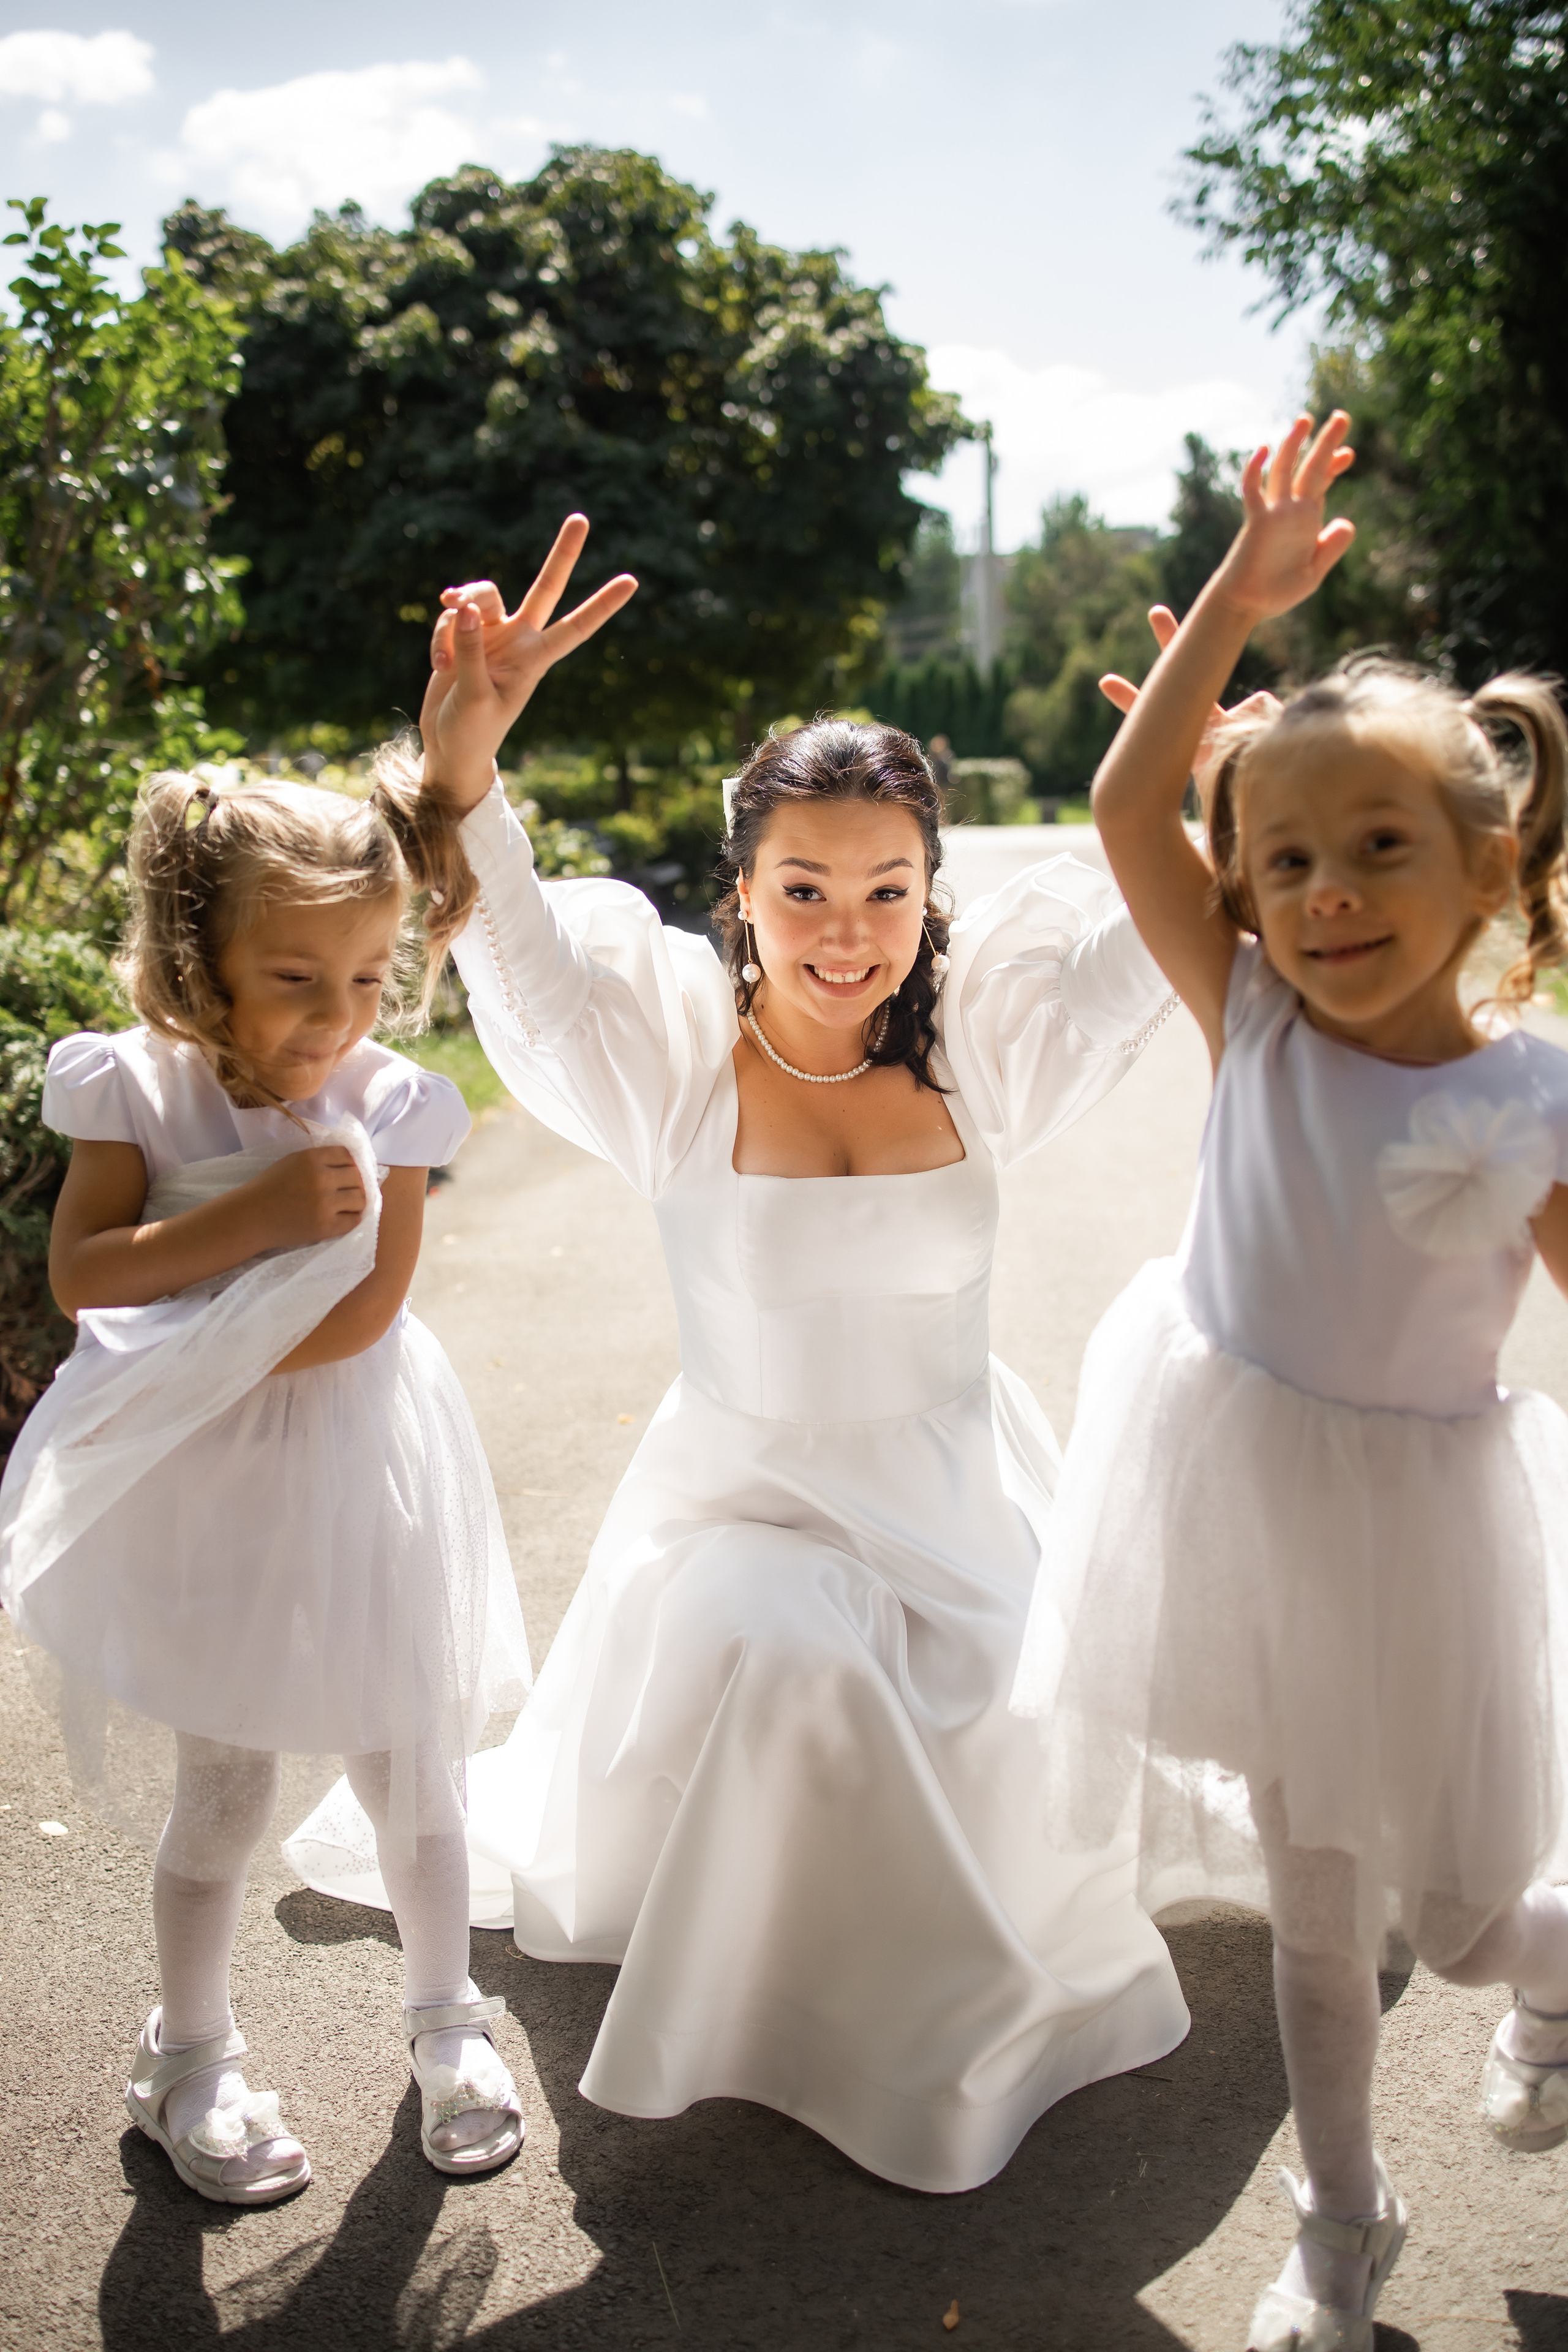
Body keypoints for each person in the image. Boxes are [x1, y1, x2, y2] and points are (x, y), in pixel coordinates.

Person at [288, 515, 1191, 2195]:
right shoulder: (675, 1056)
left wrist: (1201, 802)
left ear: (934, 892)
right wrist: (462, 762)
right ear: (745, 895)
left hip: (953, 1503)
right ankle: (843, 2033)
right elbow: (532, 971)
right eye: (803, 890)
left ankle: (917, 1996)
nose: (846, 931)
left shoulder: (987, 1046)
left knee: (993, 1745)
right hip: (740, 1509)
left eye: (887, 890)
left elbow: (1148, 951)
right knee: (800, 1653)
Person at [1011, 410, 1568, 2348]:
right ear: (1246, 889)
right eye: (1289, 858)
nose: (1328, 892)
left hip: (1426, 1541)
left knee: (1472, 1918)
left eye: (1382, 848)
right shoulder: (1246, 1008)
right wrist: (1235, 606)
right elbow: (1124, 797)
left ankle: (1552, 1972)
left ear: (1490, 858)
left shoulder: (1534, 1094)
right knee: (1312, 1907)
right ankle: (1343, 2212)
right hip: (1234, 1494)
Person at [0, 772, 535, 2203]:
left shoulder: (393, 1104)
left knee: (409, 1762)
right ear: (198, 959)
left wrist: (285, 1238)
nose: (338, 1014)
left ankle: (445, 2020)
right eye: (294, 977)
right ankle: (187, 2050)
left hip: (362, 1465)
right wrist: (252, 1216)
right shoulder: (133, 1086)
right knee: (223, 1784)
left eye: (368, 975)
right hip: (203, 1489)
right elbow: (85, 1273)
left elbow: (362, 1319)